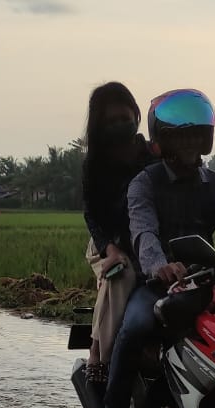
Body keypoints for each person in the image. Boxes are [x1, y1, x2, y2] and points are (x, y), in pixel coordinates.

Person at [91, 88, 215, 408]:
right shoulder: (145, 182)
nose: (189, 142)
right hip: (158, 285)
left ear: (206, 138)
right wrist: (159, 266)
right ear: (163, 139)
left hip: (205, 283)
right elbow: (143, 231)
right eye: (180, 134)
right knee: (135, 326)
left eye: (195, 134)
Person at [81, 82, 158, 387]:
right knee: (121, 273)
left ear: (136, 115)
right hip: (108, 241)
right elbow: (92, 214)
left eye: (123, 118)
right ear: (99, 125)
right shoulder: (95, 164)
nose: (119, 126)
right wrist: (108, 248)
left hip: (147, 238)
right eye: (110, 122)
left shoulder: (150, 154)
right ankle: (100, 355)